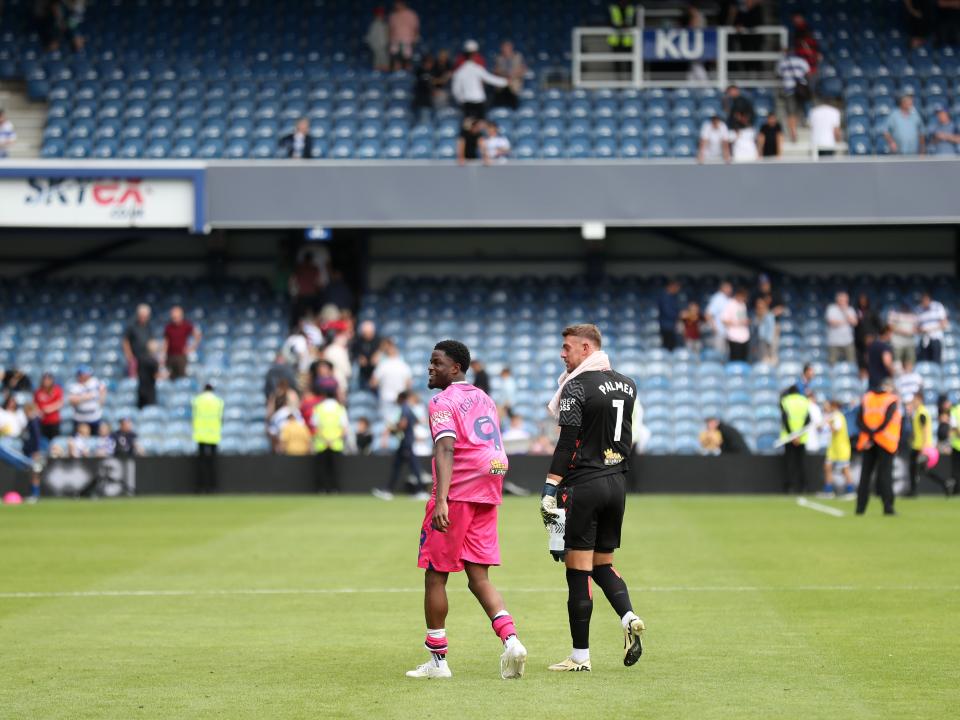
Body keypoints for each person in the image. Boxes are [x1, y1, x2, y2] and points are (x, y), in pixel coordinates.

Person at [407, 339, 527, 680]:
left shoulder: (442, 401)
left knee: (435, 573)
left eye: (437, 362)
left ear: (455, 368)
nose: (430, 368)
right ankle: (512, 641)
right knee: (478, 576)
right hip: (489, 486)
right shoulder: (483, 397)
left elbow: (445, 447)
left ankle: (438, 663)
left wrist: (441, 499)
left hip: (459, 489)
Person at [540, 324, 645, 673]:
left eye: (567, 347)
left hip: (585, 484)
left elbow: (567, 442)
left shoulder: (575, 386)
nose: (562, 353)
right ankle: (628, 615)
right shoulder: (628, 384)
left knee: (577, 571)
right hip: (617, 483)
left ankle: (580, 657)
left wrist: (551, 485)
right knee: (602, 564)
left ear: (586, 348)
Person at [855, 379, 902, 516]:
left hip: (868, 441)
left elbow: (859, 420)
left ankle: (860, 509)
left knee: (865, 475)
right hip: (885, 441)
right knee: (885, 475)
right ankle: (888, 507)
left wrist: (870, 435)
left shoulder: (867, 398)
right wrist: (875, 434)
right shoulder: (891, 399)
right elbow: (887, 420)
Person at [373, 390, 426, 499]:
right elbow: (416, 421)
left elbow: (403, 424)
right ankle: (389, 490)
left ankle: (420, 491)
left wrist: (394, 428)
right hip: (406, 441)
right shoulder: (410, 409)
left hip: (405, 442)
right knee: (400, 467)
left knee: (413, 467)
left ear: (402, 398)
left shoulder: (404, 408)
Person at [905, 393, 954, 497]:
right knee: (920, 470)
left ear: (919, 400)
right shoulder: (919, 412)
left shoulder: (921, 413)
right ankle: (944, 483)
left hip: (921, 446)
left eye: (914, 400)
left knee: (918, 469)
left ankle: (914, 490)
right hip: (918, 445)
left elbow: (924, 430)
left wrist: (923, 447)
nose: (913, 402)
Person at [451, 41, 508, 120]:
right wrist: (505, 82)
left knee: (468, 125)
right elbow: (490, 78)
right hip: (477, 101)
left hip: (467, 102)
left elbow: (455, 90)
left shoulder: (459, 72)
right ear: (474, 55)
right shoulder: (477, 69)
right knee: (480, 124)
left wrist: (461, 100)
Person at [312, 387, 349, 493]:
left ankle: (321, 489)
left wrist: (325, 439)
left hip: (322, 443)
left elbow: (315, 427)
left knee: (321, 468)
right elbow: (344, 429)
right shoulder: (340, 408)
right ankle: (335, 489)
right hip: (336, 443)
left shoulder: (318, 408)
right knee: (335, 469)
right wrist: (333, 439)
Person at [192, 383, 223, 494]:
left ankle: (200, 488)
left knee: (201, 463)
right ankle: (213, 488)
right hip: (214, 434)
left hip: (200, 434)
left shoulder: (197, 400)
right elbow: (220, 417)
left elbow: (194, 415)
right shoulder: (218, 401)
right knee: (213, 463)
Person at [370, 338, 412, 422]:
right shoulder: (403, 365)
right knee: (398, 425)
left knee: (387, 424)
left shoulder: (382, 365)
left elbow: (373, 383)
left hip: (386, 398)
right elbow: (409, 384)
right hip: (399, 399)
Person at [780, 385, 811, 494]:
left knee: (790, 463)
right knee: (802, 463)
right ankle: (804, 487)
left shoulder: (785, 401)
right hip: (801, 438)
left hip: (789, 438)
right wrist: (799, 435)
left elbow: (784, 419)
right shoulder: (805, 401)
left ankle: (789, 488)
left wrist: (793, 435)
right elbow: (808, 420)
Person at [820, 400, 854, 498]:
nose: (825, 407)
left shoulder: (838, 416)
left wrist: (828, 423)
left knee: (845, 469)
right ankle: (828, 491)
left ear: (833, 406)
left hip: (841, 448)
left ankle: (850, 491)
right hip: (833, 448)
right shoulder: (832, 416)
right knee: (827, 467)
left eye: (827, 405)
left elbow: (836, 429)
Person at [776, 48, 811, 143]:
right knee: (805, 104)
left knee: (791, 113)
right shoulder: (802, 61)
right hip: (801, 88)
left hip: (788, 90)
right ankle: (807, 118)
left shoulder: (782, 63)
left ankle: (793, 132)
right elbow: (808, 72)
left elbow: (779, 74)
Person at [162, 305, 200, 380]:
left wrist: (192, 347)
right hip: (170, 356)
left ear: (181, 316)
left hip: (181, 356)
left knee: (182, 377)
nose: (174, 319)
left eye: (176, 317)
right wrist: (163, 354)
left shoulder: (186, 325)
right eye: (173, 317)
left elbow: (197, 335)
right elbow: (166, 342)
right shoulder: (168, 327)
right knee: (170, 377)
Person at [68, 365, 106, 435]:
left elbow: (103, 389)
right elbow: (72, 400)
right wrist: (85, 397)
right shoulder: (75, 386)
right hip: (80, 419)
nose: (86, 375)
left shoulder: (94, 382)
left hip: (94, 418)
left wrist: (101, 401)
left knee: (95, 439)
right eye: (84, 374)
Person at [915, 291, 949, 364]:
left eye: (925, 300)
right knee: (925, 361)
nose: (924, 302)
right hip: (924, 339)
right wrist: (921, 330)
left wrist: (929, 329)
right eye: (922, 301)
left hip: (936, 338)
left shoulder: (938, 306)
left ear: (929, 300)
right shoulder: (918, 309)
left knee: (936, 361)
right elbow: (916, 327)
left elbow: (944, 323)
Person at [825, 291, 858, 365]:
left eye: (845, 300)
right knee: (832, 363)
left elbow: (855, 322)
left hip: (848, 341)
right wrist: (845, 321)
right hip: (834, 342)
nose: (843, 301)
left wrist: (845, 311)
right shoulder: (831, 309)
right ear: (837, 300)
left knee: (851, 362)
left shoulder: (850, 309)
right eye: (841, 300)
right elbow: (832, 322)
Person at [492, 40, 526, 109]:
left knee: (514, 87)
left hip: (514, 80)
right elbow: (495, 70)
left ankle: (515, 108)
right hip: (502, 81)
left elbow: (523, 70)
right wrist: (504, 74)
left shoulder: (518, 57)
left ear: (511, 48)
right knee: (499, 89)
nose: (505, 50)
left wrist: (513, 75)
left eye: (507, 48)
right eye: (504, 48)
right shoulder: (499, 58)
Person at [122, 303, 152, 378]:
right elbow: (125, 341)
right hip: (134, 357)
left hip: (146, 357)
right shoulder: (131, 325)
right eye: (142, 316)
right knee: (133, 378)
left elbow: (151, 340)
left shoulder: (148, 326)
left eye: (146, 316)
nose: (144, 318)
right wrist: (129, 355)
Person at [388, 0, 419, 71]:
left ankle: (407, 75)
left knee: (407, 60)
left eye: (398, 4)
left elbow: (416, 28)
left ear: (403, 4)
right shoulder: (393, 16)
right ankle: (396, 76)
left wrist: (414, 39)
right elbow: (390, 29)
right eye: (396, 4)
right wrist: (390, 40)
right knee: (395, 60)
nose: (396, 6)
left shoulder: (411, 14)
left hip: (407, 40)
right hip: (395, 40)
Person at [721, 287, 750, 361]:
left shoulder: (743, 305)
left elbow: (742, 318)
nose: (744, 299)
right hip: (734, 337)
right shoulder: (730, 304)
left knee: (744, 359)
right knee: (735, 359)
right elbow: (724, 320)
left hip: (744, 337)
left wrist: (745, 322)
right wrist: (737, 323)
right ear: (738, 295)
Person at [351, 320, 381, 390]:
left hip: (375, 367)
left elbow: (383, 350)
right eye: (365, 333)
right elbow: (353, 352)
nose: (368, 335)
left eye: (370, 333)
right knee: (355, 369)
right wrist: (359, 357)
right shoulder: (358, 340)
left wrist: (378, 354)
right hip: (362, 368)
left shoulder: (378, 340)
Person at [705, 280, 732, 356]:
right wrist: (713, 327)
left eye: (730, 288)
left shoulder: (729, 299)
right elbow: (708, 314)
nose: (730, 290)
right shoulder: (717, 298)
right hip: (719, 331)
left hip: (729, 333)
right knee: (719, 355)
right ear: (723, 288)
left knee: (727, 354)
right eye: (728, 288)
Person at [33, 372, 63, 440]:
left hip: (54, 421)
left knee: (54, 441)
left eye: (48, 379)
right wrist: (38, 412)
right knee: (43, 441)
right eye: (45, 379)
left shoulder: (57, 390)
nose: (46, 381)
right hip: (42, 421)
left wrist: (48, 409)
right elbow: (35, 405)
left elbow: (60, 403)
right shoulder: (38, 392)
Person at [888, 302, 918, 368]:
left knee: (910, 361)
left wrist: (913, 331)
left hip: (910, 342)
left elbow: (917, 328)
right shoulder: (894, 313)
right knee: (897, 363)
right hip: (898, 343)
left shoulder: (913, 315)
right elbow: (890, 326)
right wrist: (903, 332)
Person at [866, 326, 895, 390]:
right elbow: (887, 362)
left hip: (872, 380)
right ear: (886, 333)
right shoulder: (885, 347)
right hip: (883, 381)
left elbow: (867, 359)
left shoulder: (872, 345)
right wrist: (893, 372)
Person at [657, 279, 681, 352]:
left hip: (671, 325)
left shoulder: (672, 296)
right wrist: (679, 315)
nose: (678, 290)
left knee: (672, 346)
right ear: (671, 286)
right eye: (677, 287)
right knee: (668, 347)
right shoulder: (665, 297)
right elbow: (667, 312)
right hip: (667, 326)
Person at [412, 53, 437, 125]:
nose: (431, 65)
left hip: (427, 102)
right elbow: (425, 84)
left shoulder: (430, 72)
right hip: (422, 102)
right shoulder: (421, 71)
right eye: (429, 63)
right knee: (424, 124)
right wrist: (432, 90)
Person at [364, 6, 390, 71]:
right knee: (378, 63)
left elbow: (388, 35)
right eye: (378, 14)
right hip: (377, 47)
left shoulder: (385, 24)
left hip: (384, 47)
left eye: (381, 14)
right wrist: (374, 46)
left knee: (385, 63)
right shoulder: (373, 25)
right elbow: (369, 38)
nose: (380, 16)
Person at [753, 297, 777, 364]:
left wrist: (769, 342)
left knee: (769, 360)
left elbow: (771, 329)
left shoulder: (769, 315)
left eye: (761, 304)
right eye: (758, 304)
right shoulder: (756, 316)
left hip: (768, 342)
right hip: (759, 342)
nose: (759, 306)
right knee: (761, 360)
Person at [137, 339, 160, 409]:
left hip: (141, 389)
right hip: (150, 391)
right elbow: (156, 375)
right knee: (150, 410)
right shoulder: (154, 362)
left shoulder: (141, 359)